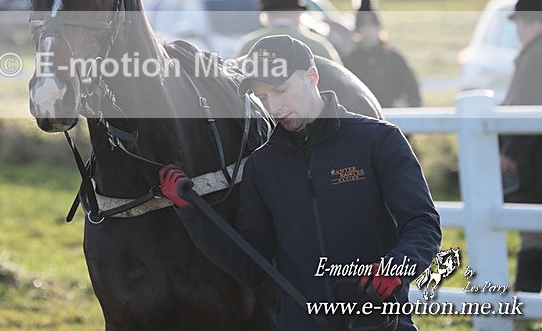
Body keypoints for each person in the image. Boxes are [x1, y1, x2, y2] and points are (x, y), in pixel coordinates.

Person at [159, 35, 441, 329]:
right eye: (263, 98)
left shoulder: (379, 141)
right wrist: (192, 211)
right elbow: (250, 266)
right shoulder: (262, 166)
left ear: (312, 76)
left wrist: (397, 267)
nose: (275, 108)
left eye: (281, 90)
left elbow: (423, 223)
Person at [499, 0, 542, 293]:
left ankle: (525, 303)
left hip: (533, 162)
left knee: (532, 234)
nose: (517, 31)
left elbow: (524, 106)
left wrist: (508, 152)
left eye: (519, 23)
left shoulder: (535, 55)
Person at [236, 0, 343, 64]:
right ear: (300, 12)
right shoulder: (320, 46)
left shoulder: (249, 46)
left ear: (265, 13)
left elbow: (234, 80)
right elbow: (340, 79)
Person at [343, 0, 422, 108]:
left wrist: (405, 104)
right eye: (364, 26)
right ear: (358, 30)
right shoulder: (350, 62)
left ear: (378, 28)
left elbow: (414, 94)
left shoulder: (394, 59)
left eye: (372, 26)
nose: (368, 31)